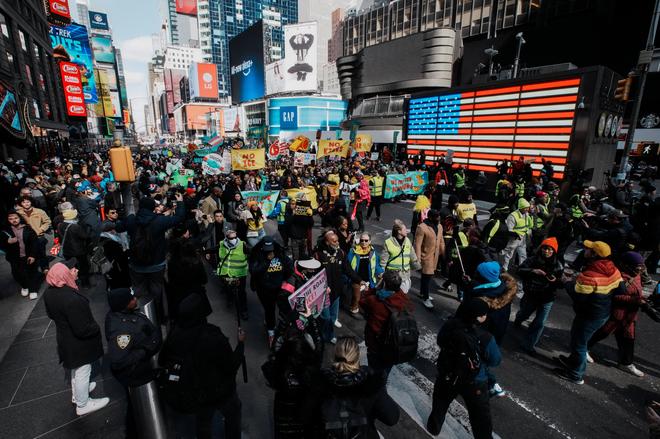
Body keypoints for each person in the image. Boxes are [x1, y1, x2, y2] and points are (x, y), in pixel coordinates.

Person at [159, 294, 245, 439]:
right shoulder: (212, 335)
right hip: (220, 391)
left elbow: (163, 359)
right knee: (232, 414)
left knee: (203, 422)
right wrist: (241, 345)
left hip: (195, 393)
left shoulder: (175, 334)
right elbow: (231, 365)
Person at [427, 299, 501, 438]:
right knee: (480, 417)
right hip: (475, 380)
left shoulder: (450, 325)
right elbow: (495, 360)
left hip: (448, 374)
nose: (485, 316)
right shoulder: (486, 337)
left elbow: (440, 341)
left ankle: (434, 427)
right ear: (477, 317)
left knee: (440, 403)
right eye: (483, 314)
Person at [43, 262, 109, 416]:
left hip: (65, 337)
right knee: (83, 370)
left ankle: (78, 394)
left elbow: (51, 314)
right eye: (67, 272)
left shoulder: (49, 293)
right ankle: (83, 403)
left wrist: (70, 277)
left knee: (75, 368)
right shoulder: (71, 298)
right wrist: (96, 328)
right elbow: (83, 329)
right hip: (77, 342)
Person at [555, 240, 624, 385]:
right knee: (579, 339)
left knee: (579, 343)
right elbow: (621, 290)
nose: (585, 249)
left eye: (589, 249)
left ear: (594, 255)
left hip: (589, 314)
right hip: (603, 312)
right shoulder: (614, 269)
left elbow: (578, 296)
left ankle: (576, 374)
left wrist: (567, 282)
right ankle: (572, 362)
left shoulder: (590, 274)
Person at [105, 287, 162, 438]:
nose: (135, 299)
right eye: (131, 299)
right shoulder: (122, 331)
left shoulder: (120, 315)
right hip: (136, 374)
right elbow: (119, 360)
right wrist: (145, 350)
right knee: (139, 409)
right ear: (123, 305)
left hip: (141, 367)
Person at [319, 336, 400, 437]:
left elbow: (305, 415)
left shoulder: (320, 380)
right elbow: (392, 418)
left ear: (334, 357)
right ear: (357, 358)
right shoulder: (370, 381)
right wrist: (379, 387)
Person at [587, 251, 646, 377]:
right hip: (617, 314)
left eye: (641, 266)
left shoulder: (637, 275)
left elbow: (638, 290)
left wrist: (644, 300)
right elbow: (615, 295)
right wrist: (635, 300)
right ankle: (583, 349)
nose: (640, 269)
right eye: (637, 266)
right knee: (603, 332)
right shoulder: (617, 277)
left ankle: (626, 363)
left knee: (629, 338)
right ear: (628, 265)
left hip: (630, 316)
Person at [119, 195, 186, 305]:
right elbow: (179, 218)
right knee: (157, 288)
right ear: (152, 208)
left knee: (139, 289)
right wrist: (180, 203)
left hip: (136, 264)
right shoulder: (160, 221)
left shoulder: (131, 220)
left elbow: (118, 227)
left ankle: (143, 311)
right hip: (157, 263)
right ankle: (158, 311)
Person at [464, 260, 515, 397]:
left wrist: (469, 286)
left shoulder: (481, 296)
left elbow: (468, 308)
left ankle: (491, 384)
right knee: (482, 360)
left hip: (481, 335)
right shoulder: (503, 291)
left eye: (478, 273)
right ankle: (492, 384)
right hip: (495, 335)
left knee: (477, 361)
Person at [514, 237, 564, 355]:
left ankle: (528, 345)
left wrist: (556, 281)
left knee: (539, 323)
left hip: (547, 298)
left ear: (554, 251)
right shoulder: (532, 260)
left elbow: (561, 284)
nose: (547, 252)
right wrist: (532, 271)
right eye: (545, 249)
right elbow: (519, 270)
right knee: (524, 313)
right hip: (531, 294)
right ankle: (519, 319)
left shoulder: (558, 265)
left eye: (550, 250)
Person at [360, 271, 412, 379]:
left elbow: (362, 301)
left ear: (383, 284)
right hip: (393, 346)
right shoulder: (403, 300)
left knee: (374, 372)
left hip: (376, 346)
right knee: (385, 372)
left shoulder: (375, 301)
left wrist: (375, 288)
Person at [315, 230, 360, 342]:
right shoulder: (318, 255)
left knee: (334, 312)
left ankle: (334, 320)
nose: (337, 243)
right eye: (334, 241)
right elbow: (315, 275)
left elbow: (348, 269)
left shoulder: (341, 253)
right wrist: (324, 286)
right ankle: (328, 336)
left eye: (337, 240)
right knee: (326, 317)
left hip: (337, 290)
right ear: (327, 242)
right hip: (324, 292)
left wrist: (359, 280)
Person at [249, 236, 294, 345]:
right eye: (266, 250)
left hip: (279, 289)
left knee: (283, 309)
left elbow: (289, 267)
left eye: (271, 250)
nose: (269, 252)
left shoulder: (280, 253)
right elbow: (254, 271)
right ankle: (271, 332)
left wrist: (285, 279)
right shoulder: (256, 255)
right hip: (264, 290)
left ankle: (282, 329)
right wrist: (267, 262)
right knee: (269, 310)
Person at [0, 210, 40, 299]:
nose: (14, 220)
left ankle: (33, 290)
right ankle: (25, 286)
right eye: (10, 219)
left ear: (20, 218)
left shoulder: (27, 228)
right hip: (14, 257)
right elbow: (1, 245)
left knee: (31, 272)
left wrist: (33, 255)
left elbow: (34, 243)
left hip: (27, 255)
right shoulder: (5, 231)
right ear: (7, 220)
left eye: (16, 218)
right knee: (17, 274)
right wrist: (7, 242)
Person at [414, 209, 445, 309]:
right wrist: (418, 258)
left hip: (435, 256)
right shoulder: (422, 227)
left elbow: (441, 241)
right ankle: (426, 298)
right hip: (425, 256)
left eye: (439, 216)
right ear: (430, 217)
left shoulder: (439, 226)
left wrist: (443, 253)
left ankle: (422, 293)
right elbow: (417, 244)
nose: (438, 218)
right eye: (436, 217)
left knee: (425, 276)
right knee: (427, 277)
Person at [347, 232, 383, 314]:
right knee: (356, 297)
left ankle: (363, 308)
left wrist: (381, 272)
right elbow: (347, 266)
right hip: (356, 279)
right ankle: (354, 309)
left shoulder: (373, 252)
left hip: (369, 279)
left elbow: (376, 265)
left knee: (367, 297)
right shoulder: (353, 251)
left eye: (366, 240)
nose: (363, 242)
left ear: (370, 241)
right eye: (362, 240)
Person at [57, 206, 94, 288]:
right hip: (78, 251)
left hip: (67, 251)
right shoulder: (75, 227)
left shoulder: (60, 225)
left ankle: (73, 282)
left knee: (72, 267)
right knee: (83, 267)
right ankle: (85, 283)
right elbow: (85, 236)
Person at [217, 229, 250, 320]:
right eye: (231, 238)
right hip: (227, 273)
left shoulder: (243, 245)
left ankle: (244, 310)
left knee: (241, 292)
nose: (233, 239)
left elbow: (251, 253)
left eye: (235, 237)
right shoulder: (221, 244)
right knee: (229, 288)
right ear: (226, 238)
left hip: (240, 274)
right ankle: (230, 299)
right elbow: (216, 252)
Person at [380, 219, 420, 294]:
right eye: (405, 229)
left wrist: (419, 267)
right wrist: (382, 274)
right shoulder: (388, 243)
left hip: (406, 276)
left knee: (402, 296)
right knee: (392, 296)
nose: (407, 231)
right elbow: (383, 262)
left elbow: (412, 256)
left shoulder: (407, 241)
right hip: (393, 278)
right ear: (399, 231)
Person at [16, 195, 51, 273]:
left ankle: (45, 268)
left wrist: (41, 229)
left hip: (39, 236)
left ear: (31, 202)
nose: (26, 203)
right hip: (25, 238)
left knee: (42, 253)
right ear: (21, 204)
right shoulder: (18, 213)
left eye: (28, 201)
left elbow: (47, 222)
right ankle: (32, 271)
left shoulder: (39, 211)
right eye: (24, 202)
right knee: (29, 255)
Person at [501, 198, 533, 271]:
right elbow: (509, 229)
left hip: (523, 238)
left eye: (528, 207)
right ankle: (504, 266)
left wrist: (528, 232)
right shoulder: (512, 216)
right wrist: (516, 235)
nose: (527, 209)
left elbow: (528, 225)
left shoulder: (526, 214)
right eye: (526, 208)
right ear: (521, 207)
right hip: (514, 238)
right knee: (508, 252)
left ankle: (522, 268)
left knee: (522, 254)